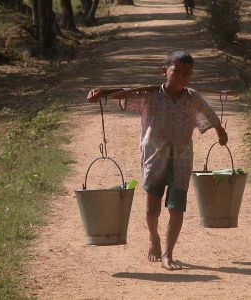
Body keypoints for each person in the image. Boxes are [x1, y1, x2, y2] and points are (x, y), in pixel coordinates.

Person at [87, 50, 228, 271]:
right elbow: (124, 94)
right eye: (176, 71)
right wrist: (102, 92)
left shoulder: (193, 98)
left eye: (187, 73)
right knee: (152, 211)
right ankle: (154, 238)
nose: (181, 76)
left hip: (181, 160)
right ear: (164, 72)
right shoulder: (150, 95)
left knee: (176, 209)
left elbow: (209, 113)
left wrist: (220, 132)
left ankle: (168, 254)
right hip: (154, 159)